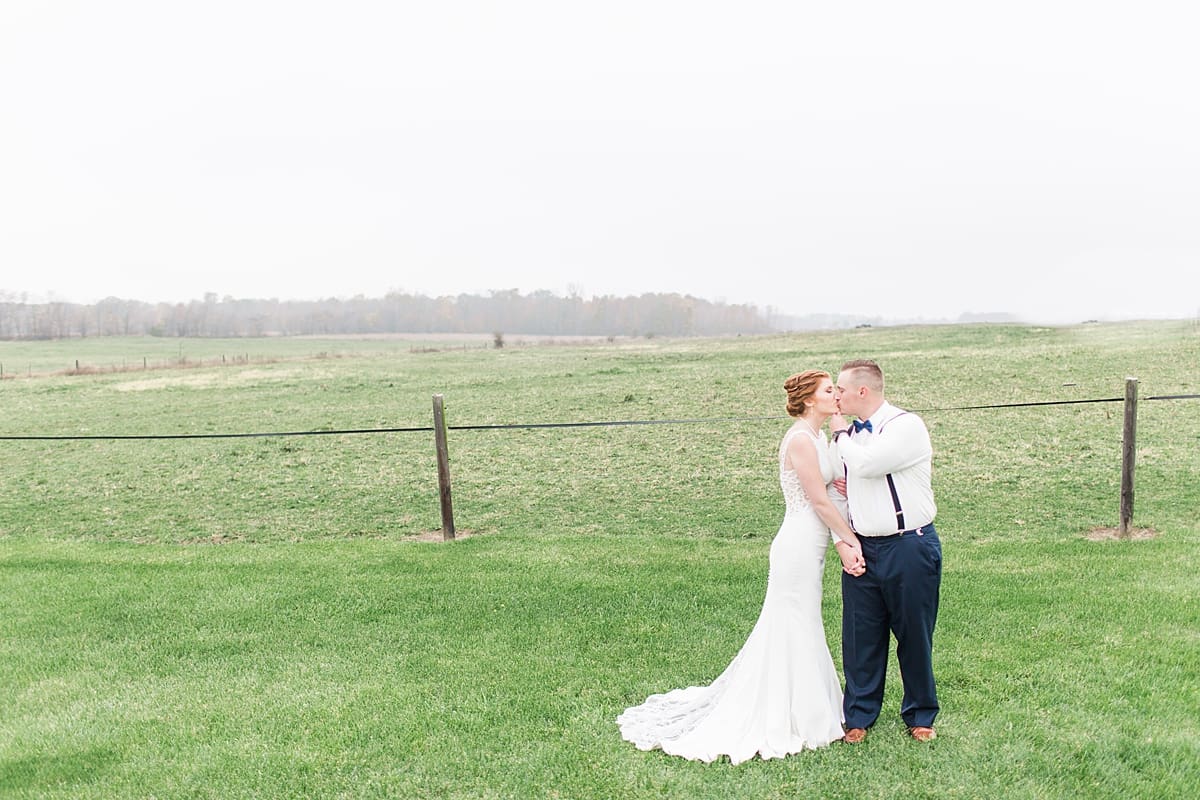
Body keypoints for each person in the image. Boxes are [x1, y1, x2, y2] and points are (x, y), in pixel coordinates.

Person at [617, 370, 866, 764]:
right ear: (807, 400)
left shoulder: (818, 437)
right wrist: (850, 539)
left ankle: (809, 706)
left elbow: (835, 486)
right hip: (797, 543)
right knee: (792, 621)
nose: (836, 395)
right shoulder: (800, 440)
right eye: (828, 390)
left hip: (814, 543)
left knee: (805, 620)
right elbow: (818, 502)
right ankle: (791, 714)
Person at [830, 359, 941, 744]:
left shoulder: (905, 426)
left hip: (909, 545)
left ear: (863, 391)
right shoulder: (851, 438)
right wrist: (843, 543)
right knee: (860, 636)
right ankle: (859, 715)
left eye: (840, 389)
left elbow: (869, 464)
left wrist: (839, 434)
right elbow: (836, 491)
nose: (836, 396)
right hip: (862, 545)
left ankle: (920, 713)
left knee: (914, 633)